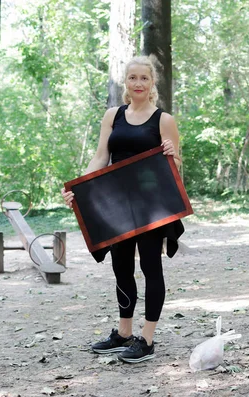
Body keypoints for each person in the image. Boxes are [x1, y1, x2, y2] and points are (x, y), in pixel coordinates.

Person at [61, 56, 183, 364]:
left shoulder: (163, 120)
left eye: (144, 78)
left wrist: (172, 155)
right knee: (121, 267)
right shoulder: (112, 116)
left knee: (151, 268)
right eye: (133, 78)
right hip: (118, 205)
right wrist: (80, 189)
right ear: (125, 82)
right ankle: (124, 333)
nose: (138, 83)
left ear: (152, 82)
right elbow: (101, 157)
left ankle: (148, 338)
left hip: (152, 206)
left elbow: (176, 166)